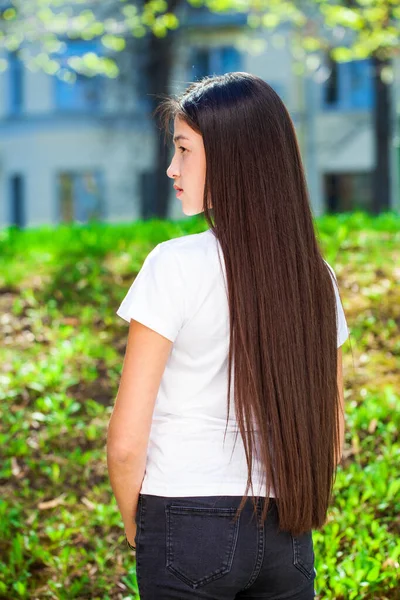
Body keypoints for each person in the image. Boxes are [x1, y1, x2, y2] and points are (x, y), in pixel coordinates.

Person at [107, 72, 349, 600]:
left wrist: (137, 527)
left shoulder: (175, 264)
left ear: (232, 156)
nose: (172, 167)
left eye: (184, 149)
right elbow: (331, 432)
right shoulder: (314, 276)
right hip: (288, 526)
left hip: (184, 517)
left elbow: (126, 444)